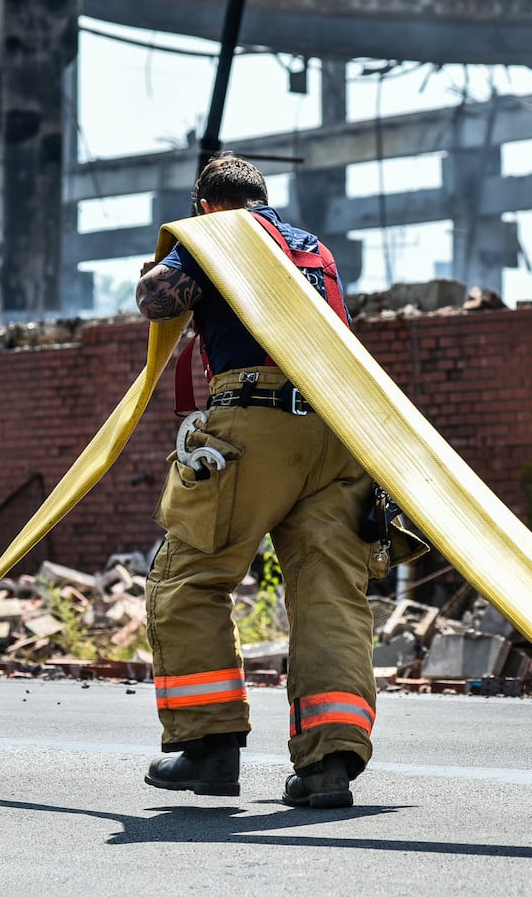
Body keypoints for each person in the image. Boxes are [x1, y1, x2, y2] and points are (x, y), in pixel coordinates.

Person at [134, 152, 381, 808]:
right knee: (329, 592)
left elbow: (156, 300)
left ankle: (210, 749)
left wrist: (173, 252)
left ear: (207, 207)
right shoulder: (312, 249)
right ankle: (328, 766)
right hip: (342, 425)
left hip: (256, 424)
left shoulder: (220, 233)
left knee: (189, 577)